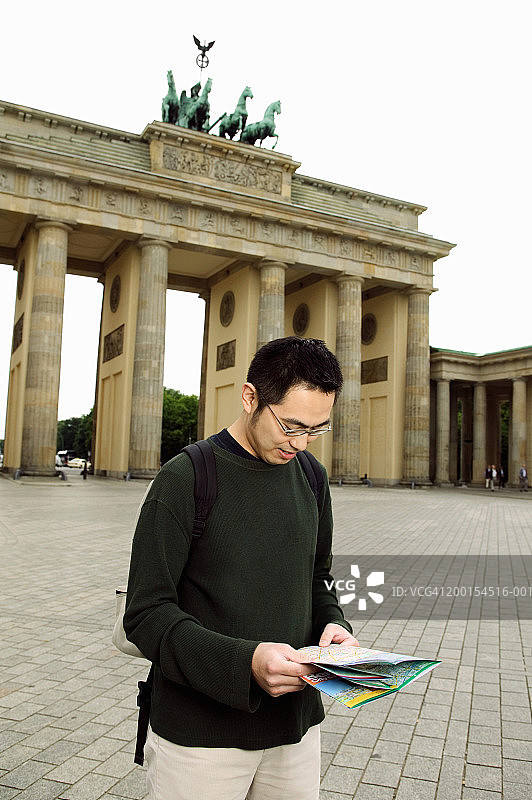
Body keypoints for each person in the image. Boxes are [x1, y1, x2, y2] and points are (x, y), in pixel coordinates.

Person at [123, 337, 358, 800]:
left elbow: (318, 579)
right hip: (199, 740)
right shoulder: (186, 477)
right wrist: (245, 662)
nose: (302, 442)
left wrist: (334, 623)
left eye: (317, 429)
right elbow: (145, 614)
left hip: (295, 730)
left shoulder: (311, 476)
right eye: (291, 425)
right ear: (251, 397)